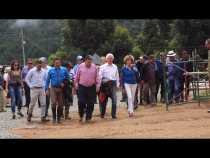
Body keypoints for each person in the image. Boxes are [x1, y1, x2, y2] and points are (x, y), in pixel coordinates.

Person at [74, 55, 100, 122]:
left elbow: (97, 77)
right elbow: (77, 76)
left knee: (91, 103)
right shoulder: (80, 66)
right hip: (82, 86)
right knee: (81, 101)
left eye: (90, 62)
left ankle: (88, 117)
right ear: (85, 61)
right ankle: (81, 115)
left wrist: (98, 86)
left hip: (91, 87)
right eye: (88, 62)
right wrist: (76, 84)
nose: (89, 63)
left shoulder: (94, 67)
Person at [45, 57, 69, 124]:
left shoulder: (64, 69)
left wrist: (64, 83)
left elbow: (68, 79)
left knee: (61, 104)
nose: (57, 64)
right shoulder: (51, 70)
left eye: (58, 63)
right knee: (54, 103)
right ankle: (54, 118)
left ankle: (58, 119)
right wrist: (46, 89)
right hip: (53, 88)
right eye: (56, 63)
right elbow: (47, 80)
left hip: (61, 89)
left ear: (60, 63)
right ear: (54, 63)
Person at [98, 53, 120, 119]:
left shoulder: (115, 66)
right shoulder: (102, 67)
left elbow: (117, 76)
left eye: (111, 58)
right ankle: (102, 114)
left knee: (114, 100)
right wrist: (99, 85)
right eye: (109, 58)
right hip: (104, 84)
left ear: (113, 59)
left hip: (112, 84)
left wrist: (118, 84)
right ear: (106, 59)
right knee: (103, 101)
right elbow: (100, 76)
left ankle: (113, 115)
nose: (110, 59)